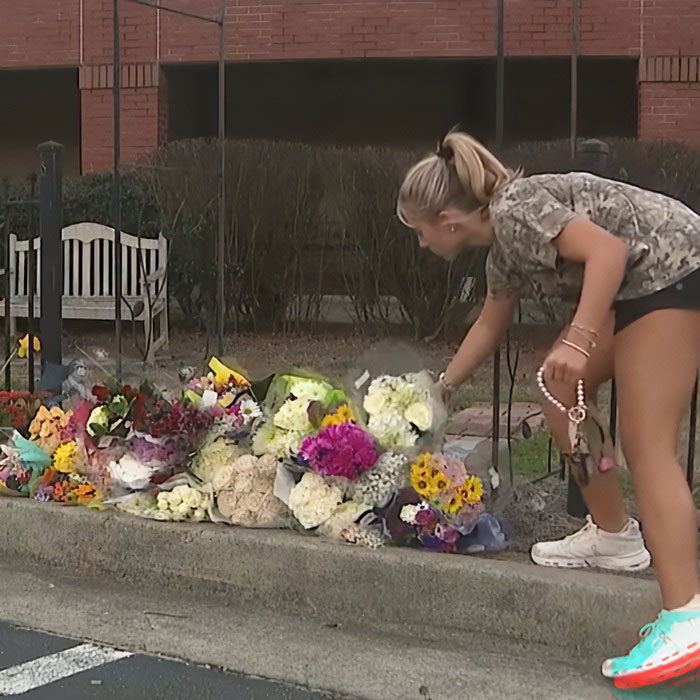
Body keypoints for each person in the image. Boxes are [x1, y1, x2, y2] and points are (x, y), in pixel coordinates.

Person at [396, 130, 700, 689]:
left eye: (420, 232)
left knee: (646, 441)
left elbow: (607, 252)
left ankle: (688, 616)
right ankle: (614, 535)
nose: (421, 244)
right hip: (638, 283)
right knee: (558, 389)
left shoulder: (516, 209)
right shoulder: (503, 247)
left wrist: (580, 337)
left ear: (448, 219)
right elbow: (490, 324)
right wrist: (440, 389)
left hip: (672, 270)